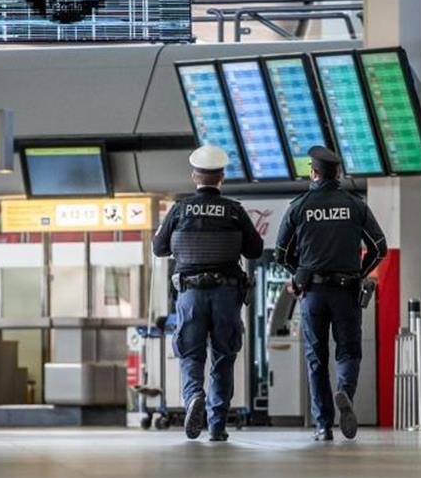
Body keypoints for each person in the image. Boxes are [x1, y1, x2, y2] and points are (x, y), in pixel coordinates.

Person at [274, 146, 387, 441]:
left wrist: (299, 271)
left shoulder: (299, 207)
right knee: (348, 351)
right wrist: (361, 272)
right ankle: (343, 391)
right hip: (347, 291)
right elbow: (379, 247)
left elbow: (280, 253)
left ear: (313, 172)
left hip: (312, 293)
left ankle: (323, 424)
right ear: (338, 173)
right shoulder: (355, 205)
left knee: (316, 357)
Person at [153, 145, 264, 441]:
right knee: (224, 358)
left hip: (190, 294)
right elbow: (255, 249)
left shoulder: (179, 209)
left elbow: (159, 248)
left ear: (194, 177)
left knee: (191, 355)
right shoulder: (234, 210)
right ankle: (217, 425)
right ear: (222, 178)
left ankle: (193, 398)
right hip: (227, 294)